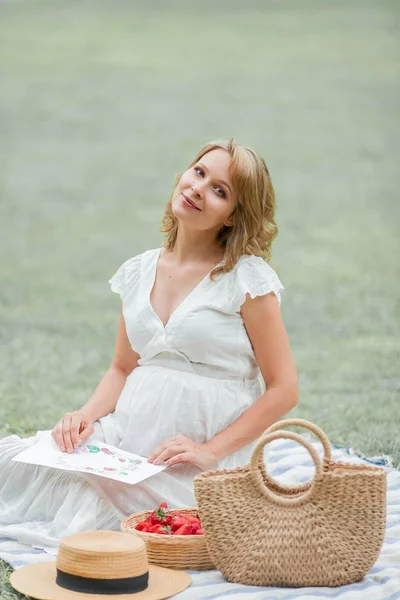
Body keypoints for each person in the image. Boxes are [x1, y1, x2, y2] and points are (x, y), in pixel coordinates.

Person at [0, 138, 298, 557]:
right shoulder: (139, 270)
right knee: (25, 461)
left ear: (234, 216)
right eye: (199, 173)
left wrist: (207, 451)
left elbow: (284, 388)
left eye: (220, 190)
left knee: (126, 513)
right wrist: (84, 416)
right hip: (128, 432)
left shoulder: (247, 279)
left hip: (195, 451)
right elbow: (122, 367)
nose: (198, 189)